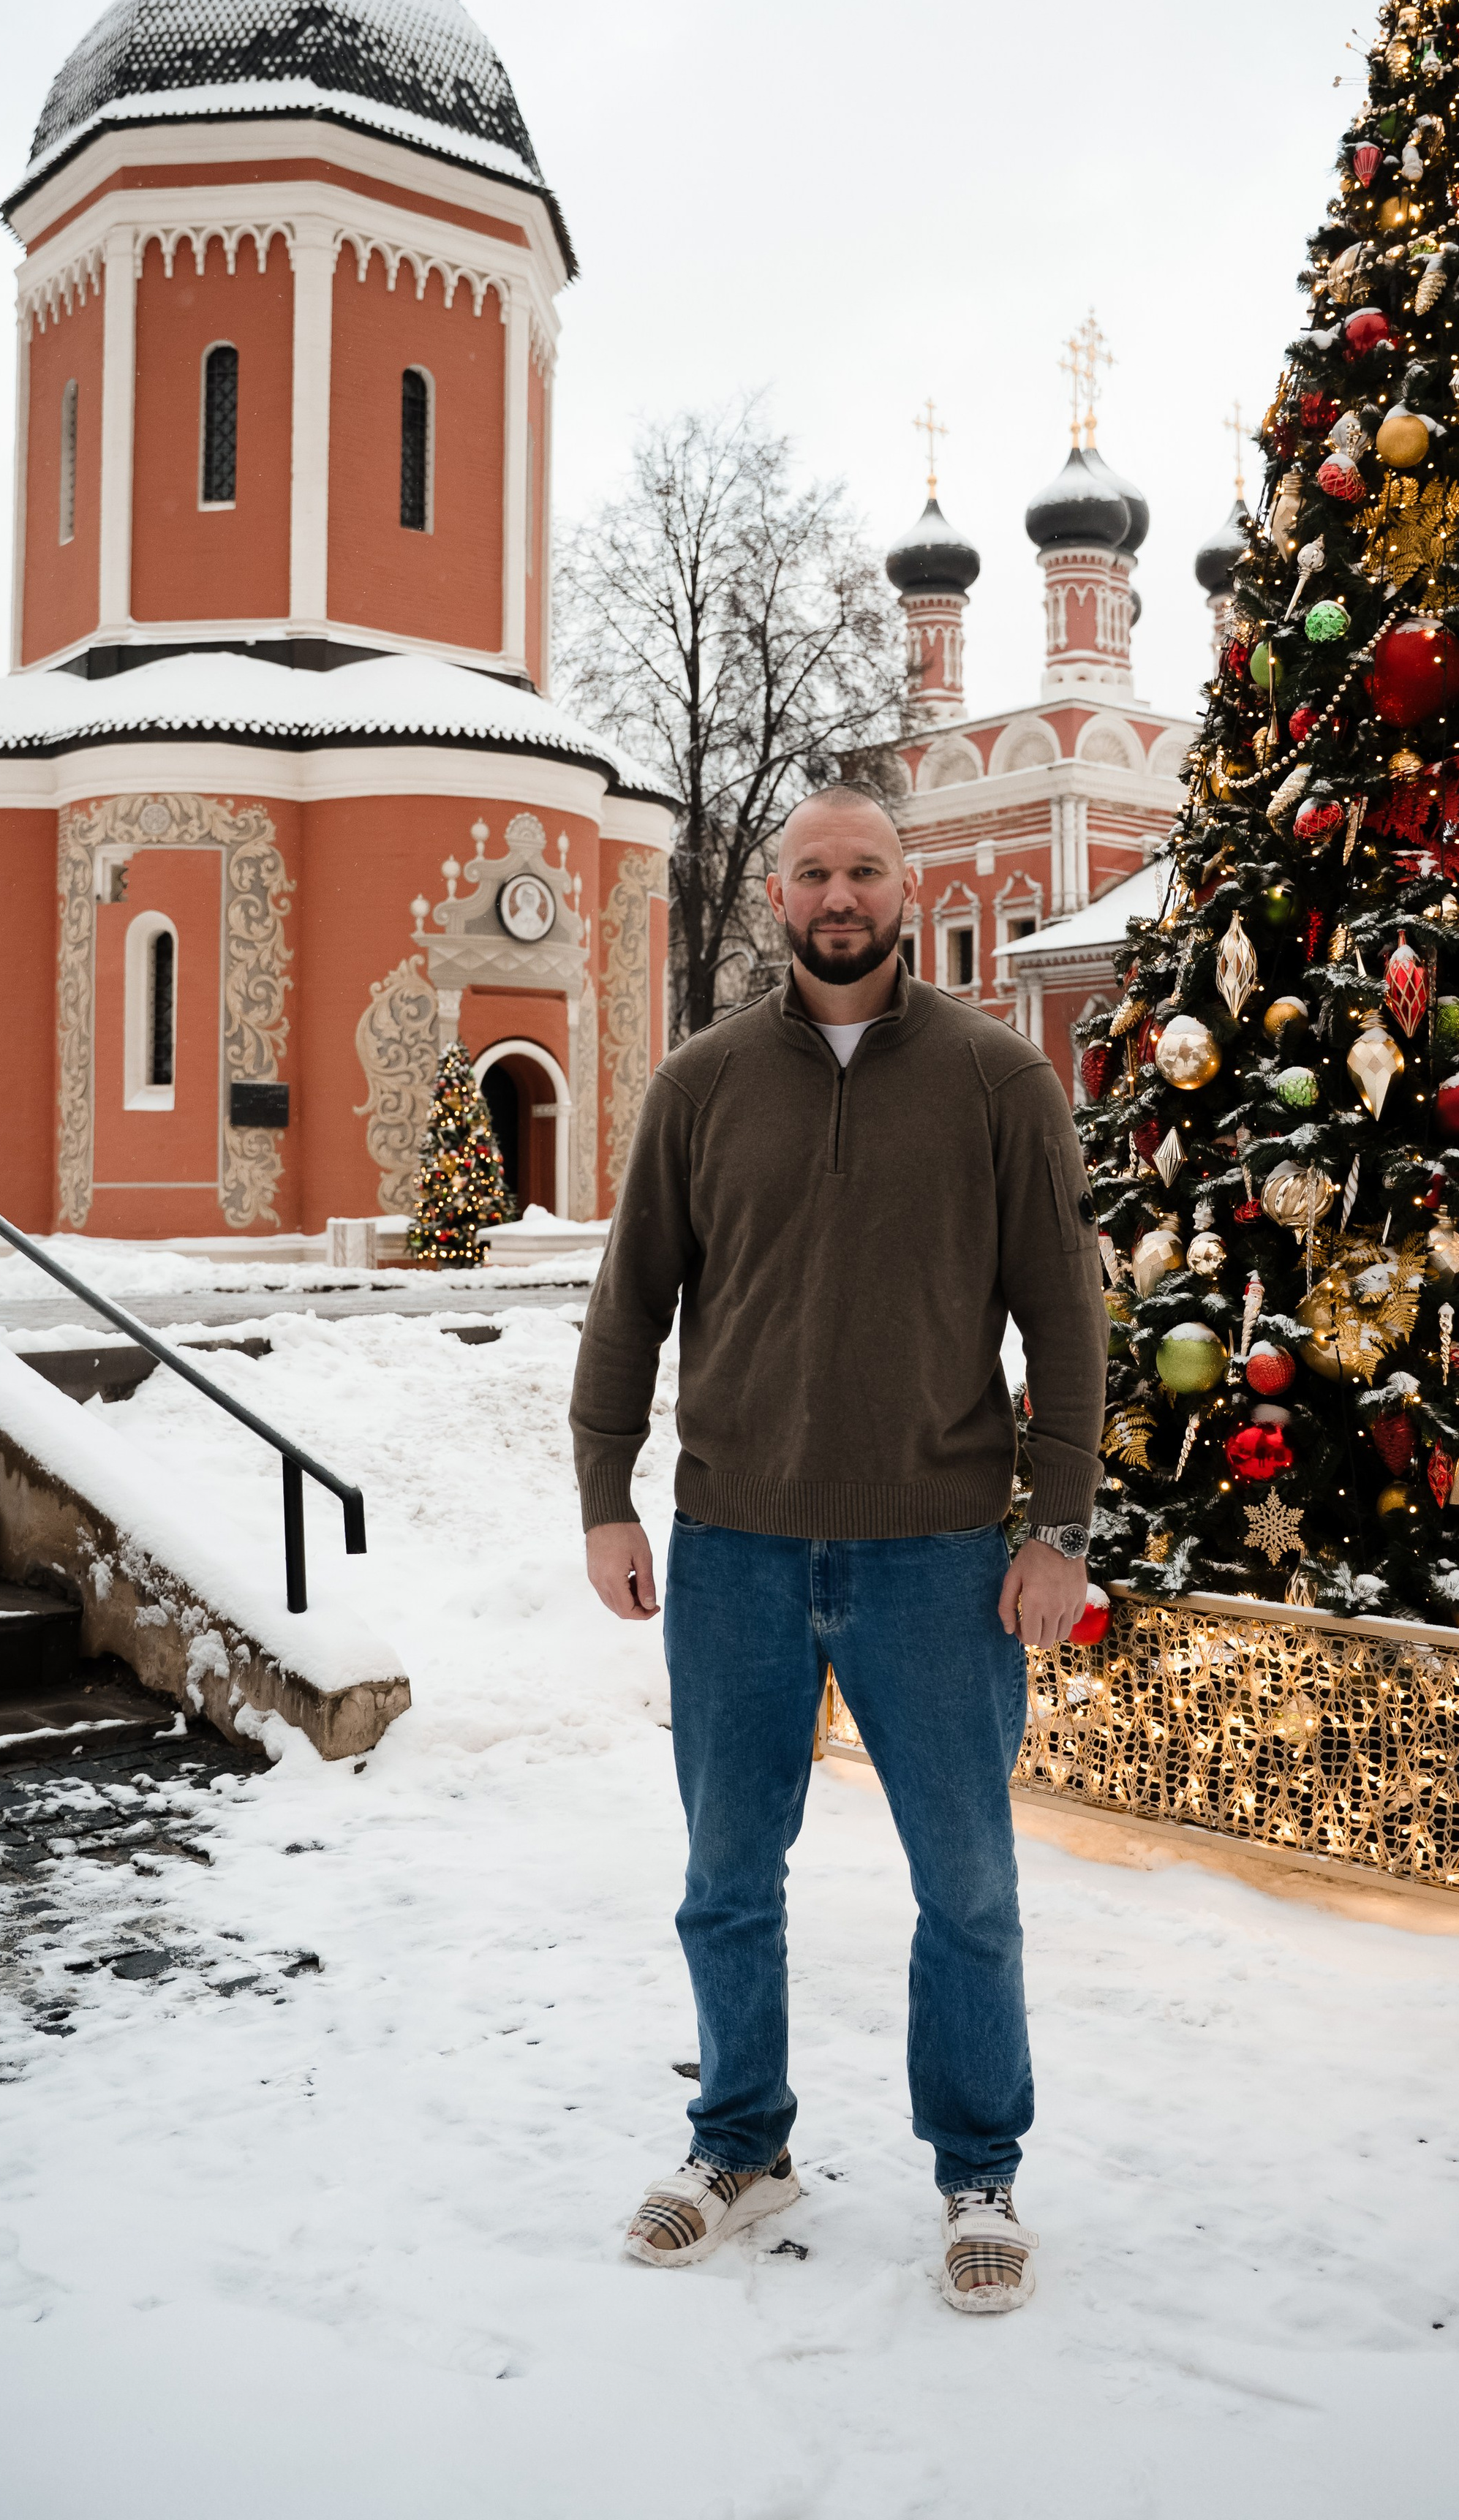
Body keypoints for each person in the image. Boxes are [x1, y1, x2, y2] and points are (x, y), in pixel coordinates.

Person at [570, 786, 1106, 2313]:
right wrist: (604, 1496)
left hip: (936, 1553)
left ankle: (977, 2171)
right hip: (731, 1543)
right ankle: (738, 2144)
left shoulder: (1000, 1082)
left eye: (864, 868)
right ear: (774, 897)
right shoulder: (700, 1083)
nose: (838, 893)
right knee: (726, 1874)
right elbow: (628, 1307)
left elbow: (1062, 1321)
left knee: (968, 1886)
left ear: (900, 885)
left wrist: (1054, 1528)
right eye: (811, 871)